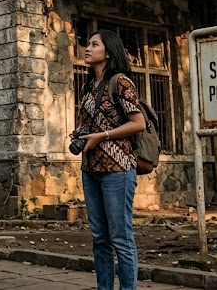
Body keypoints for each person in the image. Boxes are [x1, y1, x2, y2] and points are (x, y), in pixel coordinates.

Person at [75, 29, 147, 290]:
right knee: (99, 238)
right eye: (88, 43)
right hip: (91, 168)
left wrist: (103, 135)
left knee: (121, 238)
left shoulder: (121, 82)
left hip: (118, 169)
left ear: (108, 52)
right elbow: (89, 124)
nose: (88, 48)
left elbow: (138, 123)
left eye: (94, 44)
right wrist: (81, 135)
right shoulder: (88, 87)